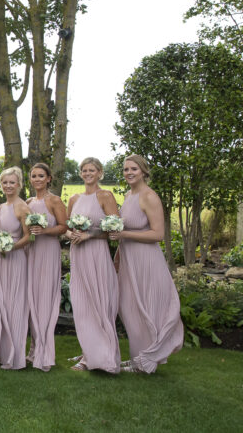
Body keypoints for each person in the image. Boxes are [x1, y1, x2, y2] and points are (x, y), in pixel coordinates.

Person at [110, 154, 183, 373]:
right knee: (128, 307)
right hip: (128, 259)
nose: (129, 173)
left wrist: (124, 234)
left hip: (146, 260)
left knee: (145, 307)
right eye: (125, 169)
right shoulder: (129, 195)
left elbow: (158, 234)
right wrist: (118, 255)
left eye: (133, 169)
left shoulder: (149, 196)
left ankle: (146, 359)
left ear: (143, 171)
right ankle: (138, 357)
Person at [67, 157, 121, 373]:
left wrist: (90, 235)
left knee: (100, 303)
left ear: (100, 173)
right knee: (82, 305)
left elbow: (114, 229)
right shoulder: (74, 198)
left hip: (97, 255)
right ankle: (88, 352)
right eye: (84, 170)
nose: (87, 173)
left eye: (92, 170)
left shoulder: (105, 196)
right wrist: (71, 233)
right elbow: (65, 226)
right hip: (77, 255)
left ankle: (103, 355)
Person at [26, 163, 67, 372]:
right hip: (31, 253)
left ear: (49, 178)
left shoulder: (55, 201)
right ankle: (33, 350)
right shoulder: (28, 202)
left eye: (41, 175)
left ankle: (45, 353)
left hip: (48, 252)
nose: (37, 179)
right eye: (34, 176)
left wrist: (45, 230)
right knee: (32, 301)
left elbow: (63, 227)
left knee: (45, 300)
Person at [0, 166, 32, 370]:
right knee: (2, 304)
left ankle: (16, 357)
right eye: (4, 182)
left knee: (15, 305)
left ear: (19, 184)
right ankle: (3, 353)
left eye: (12, 182)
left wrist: (11, 247)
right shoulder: (1, 207)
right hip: (1, 259)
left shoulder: (22, 207)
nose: (8, 186)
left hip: (16, 260)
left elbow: (28, 237)